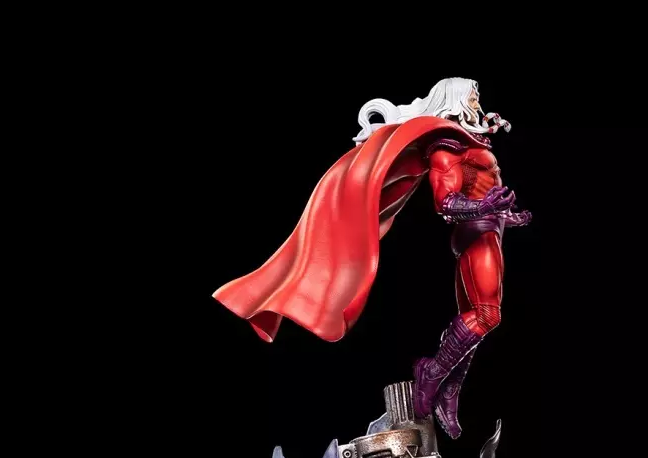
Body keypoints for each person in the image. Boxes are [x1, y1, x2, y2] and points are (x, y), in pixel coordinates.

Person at [213, 78, 530, 438]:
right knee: (487, 315)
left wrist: (507, 214)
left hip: (490, 231)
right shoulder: (447, 147)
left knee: (475, 315)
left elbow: (481, 187)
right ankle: (432, 373)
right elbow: (445, 202)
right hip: (477, 233)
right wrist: (484, 208)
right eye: (472, 97)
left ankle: (447, 391)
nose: (477, 102)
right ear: (455, 100)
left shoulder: (472, 141)